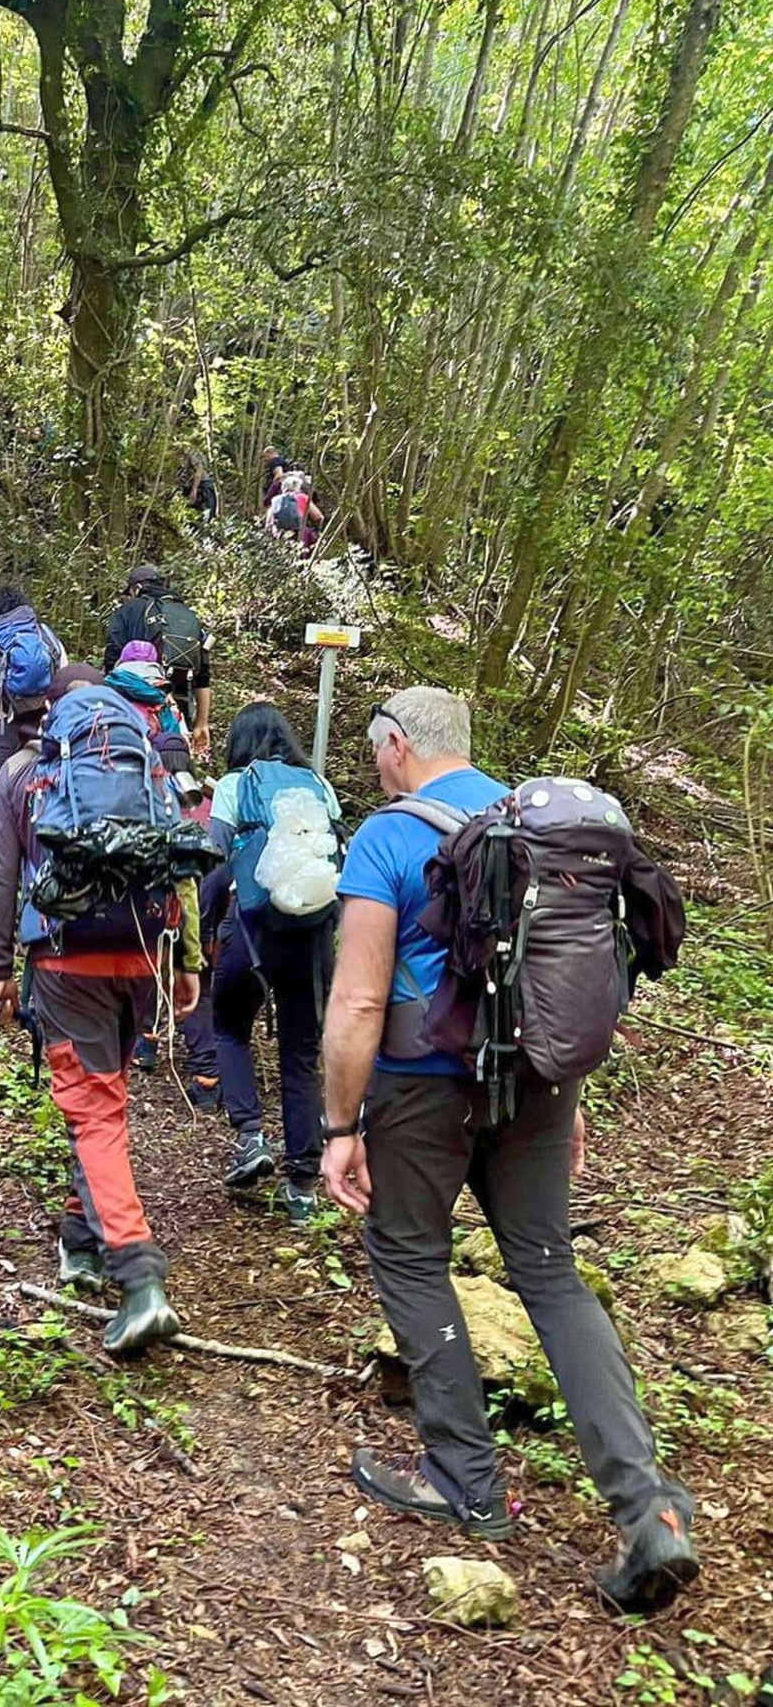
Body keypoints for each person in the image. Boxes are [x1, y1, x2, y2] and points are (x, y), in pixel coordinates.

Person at [320, 686, 697, 1610]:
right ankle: (648, 1508)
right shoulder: (534, 828)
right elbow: (563, 987)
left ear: (397, 745)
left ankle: (466, 1480)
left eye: (379, 751)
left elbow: (360, 1001)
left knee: (409, 1253)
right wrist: (567, 1110)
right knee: (549, 1271)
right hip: (539, 1085)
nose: (378, 765)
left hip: (424, 1090)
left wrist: (338, 1127)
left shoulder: (387, 840)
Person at [0, 671, 204, 1354]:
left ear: (55, 711)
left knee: (93, 1107)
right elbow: (183, 868)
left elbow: (3, 877)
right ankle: (81, 1241)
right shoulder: (152, 769)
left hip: (63, 961)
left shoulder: (25, 773)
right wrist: (185, 963)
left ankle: (140, 1278)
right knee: (104, 1101)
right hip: (140, 956)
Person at [201, 701, 337, 1210]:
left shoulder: (237, 785)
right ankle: (302, 1186)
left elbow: (215, 863)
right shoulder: (317, 786)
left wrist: (206, 926)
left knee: (230, 1028)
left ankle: (250, 1137)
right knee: (301, 1054)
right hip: (313, 936)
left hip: (251, 931)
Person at [102, 642, 218, 1097]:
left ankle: (145, 1040)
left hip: (137, 850)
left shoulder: (113, 702)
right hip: (195, 896)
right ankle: (204, 1068)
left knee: (146, 953)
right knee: (183, 966)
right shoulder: (165, 701)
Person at [103, 565, 212, 759]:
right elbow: (203, 677)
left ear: (136, 588)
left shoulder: (129, 610)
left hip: (134, 707)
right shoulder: (187, 615)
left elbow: (112, 661)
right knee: (175, 764)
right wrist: (201, 724)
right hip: (178, 708)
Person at [0, 586, 66, 772]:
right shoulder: (45, 635)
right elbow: (64, 679)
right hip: (44, 718)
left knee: (4, 774)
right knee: (42, 773)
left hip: (6, 718)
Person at [265, 469, 323, 547]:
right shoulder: (303, 497)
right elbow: (318, 517)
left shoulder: (275, 500)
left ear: (283, 488)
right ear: (298, 487)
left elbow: (268, 524)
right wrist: (318, 530)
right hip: (299, 534)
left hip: (280, 535)